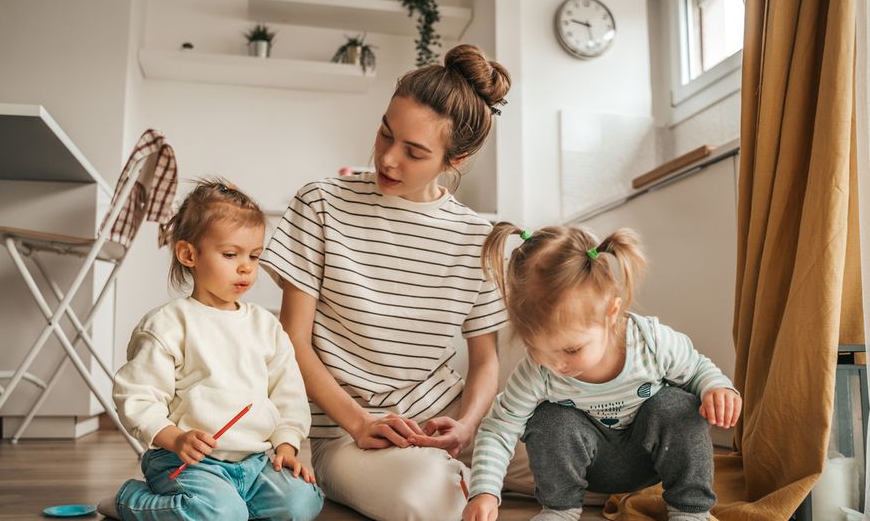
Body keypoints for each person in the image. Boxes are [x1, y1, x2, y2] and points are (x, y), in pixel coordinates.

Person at [260, 44, 530, 520]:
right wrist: (359, 423)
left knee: (589, 465)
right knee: (429, 499)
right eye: (386, 133)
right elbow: (292, 343)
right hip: (348, 431)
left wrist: (468, 426)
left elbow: (485, 361)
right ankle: (461, 480)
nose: (387, 158)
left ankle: (470, 471)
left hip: (446, 416)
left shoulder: (476, 236)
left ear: (456, 157)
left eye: (414, 151)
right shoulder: (320, 203)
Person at [464, 224, 742, 521]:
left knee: (679, 405)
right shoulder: (537, 372)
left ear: (612, 312)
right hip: (589, 468)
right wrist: (484, 491)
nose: (556, 364)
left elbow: (698, 369)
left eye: (571, 350)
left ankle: (690, 510)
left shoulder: (651, 342)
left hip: (651, 461)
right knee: (548, 418)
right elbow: (499, 428)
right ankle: (560, 509)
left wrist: (717, 389)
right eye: (536, 348)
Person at [101, 179, 323, 521]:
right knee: (219, 513)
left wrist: (286, 446)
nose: (247, 267)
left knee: (303, 502)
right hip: (185, 461)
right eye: (231, 255)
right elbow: (138, 398)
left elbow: (288, 395)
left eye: (254, 256)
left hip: (254, 461)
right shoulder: (169, 324)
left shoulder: (266, 326)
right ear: (189, 254)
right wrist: (175, 439)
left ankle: (230, 506)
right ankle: (129, 500)